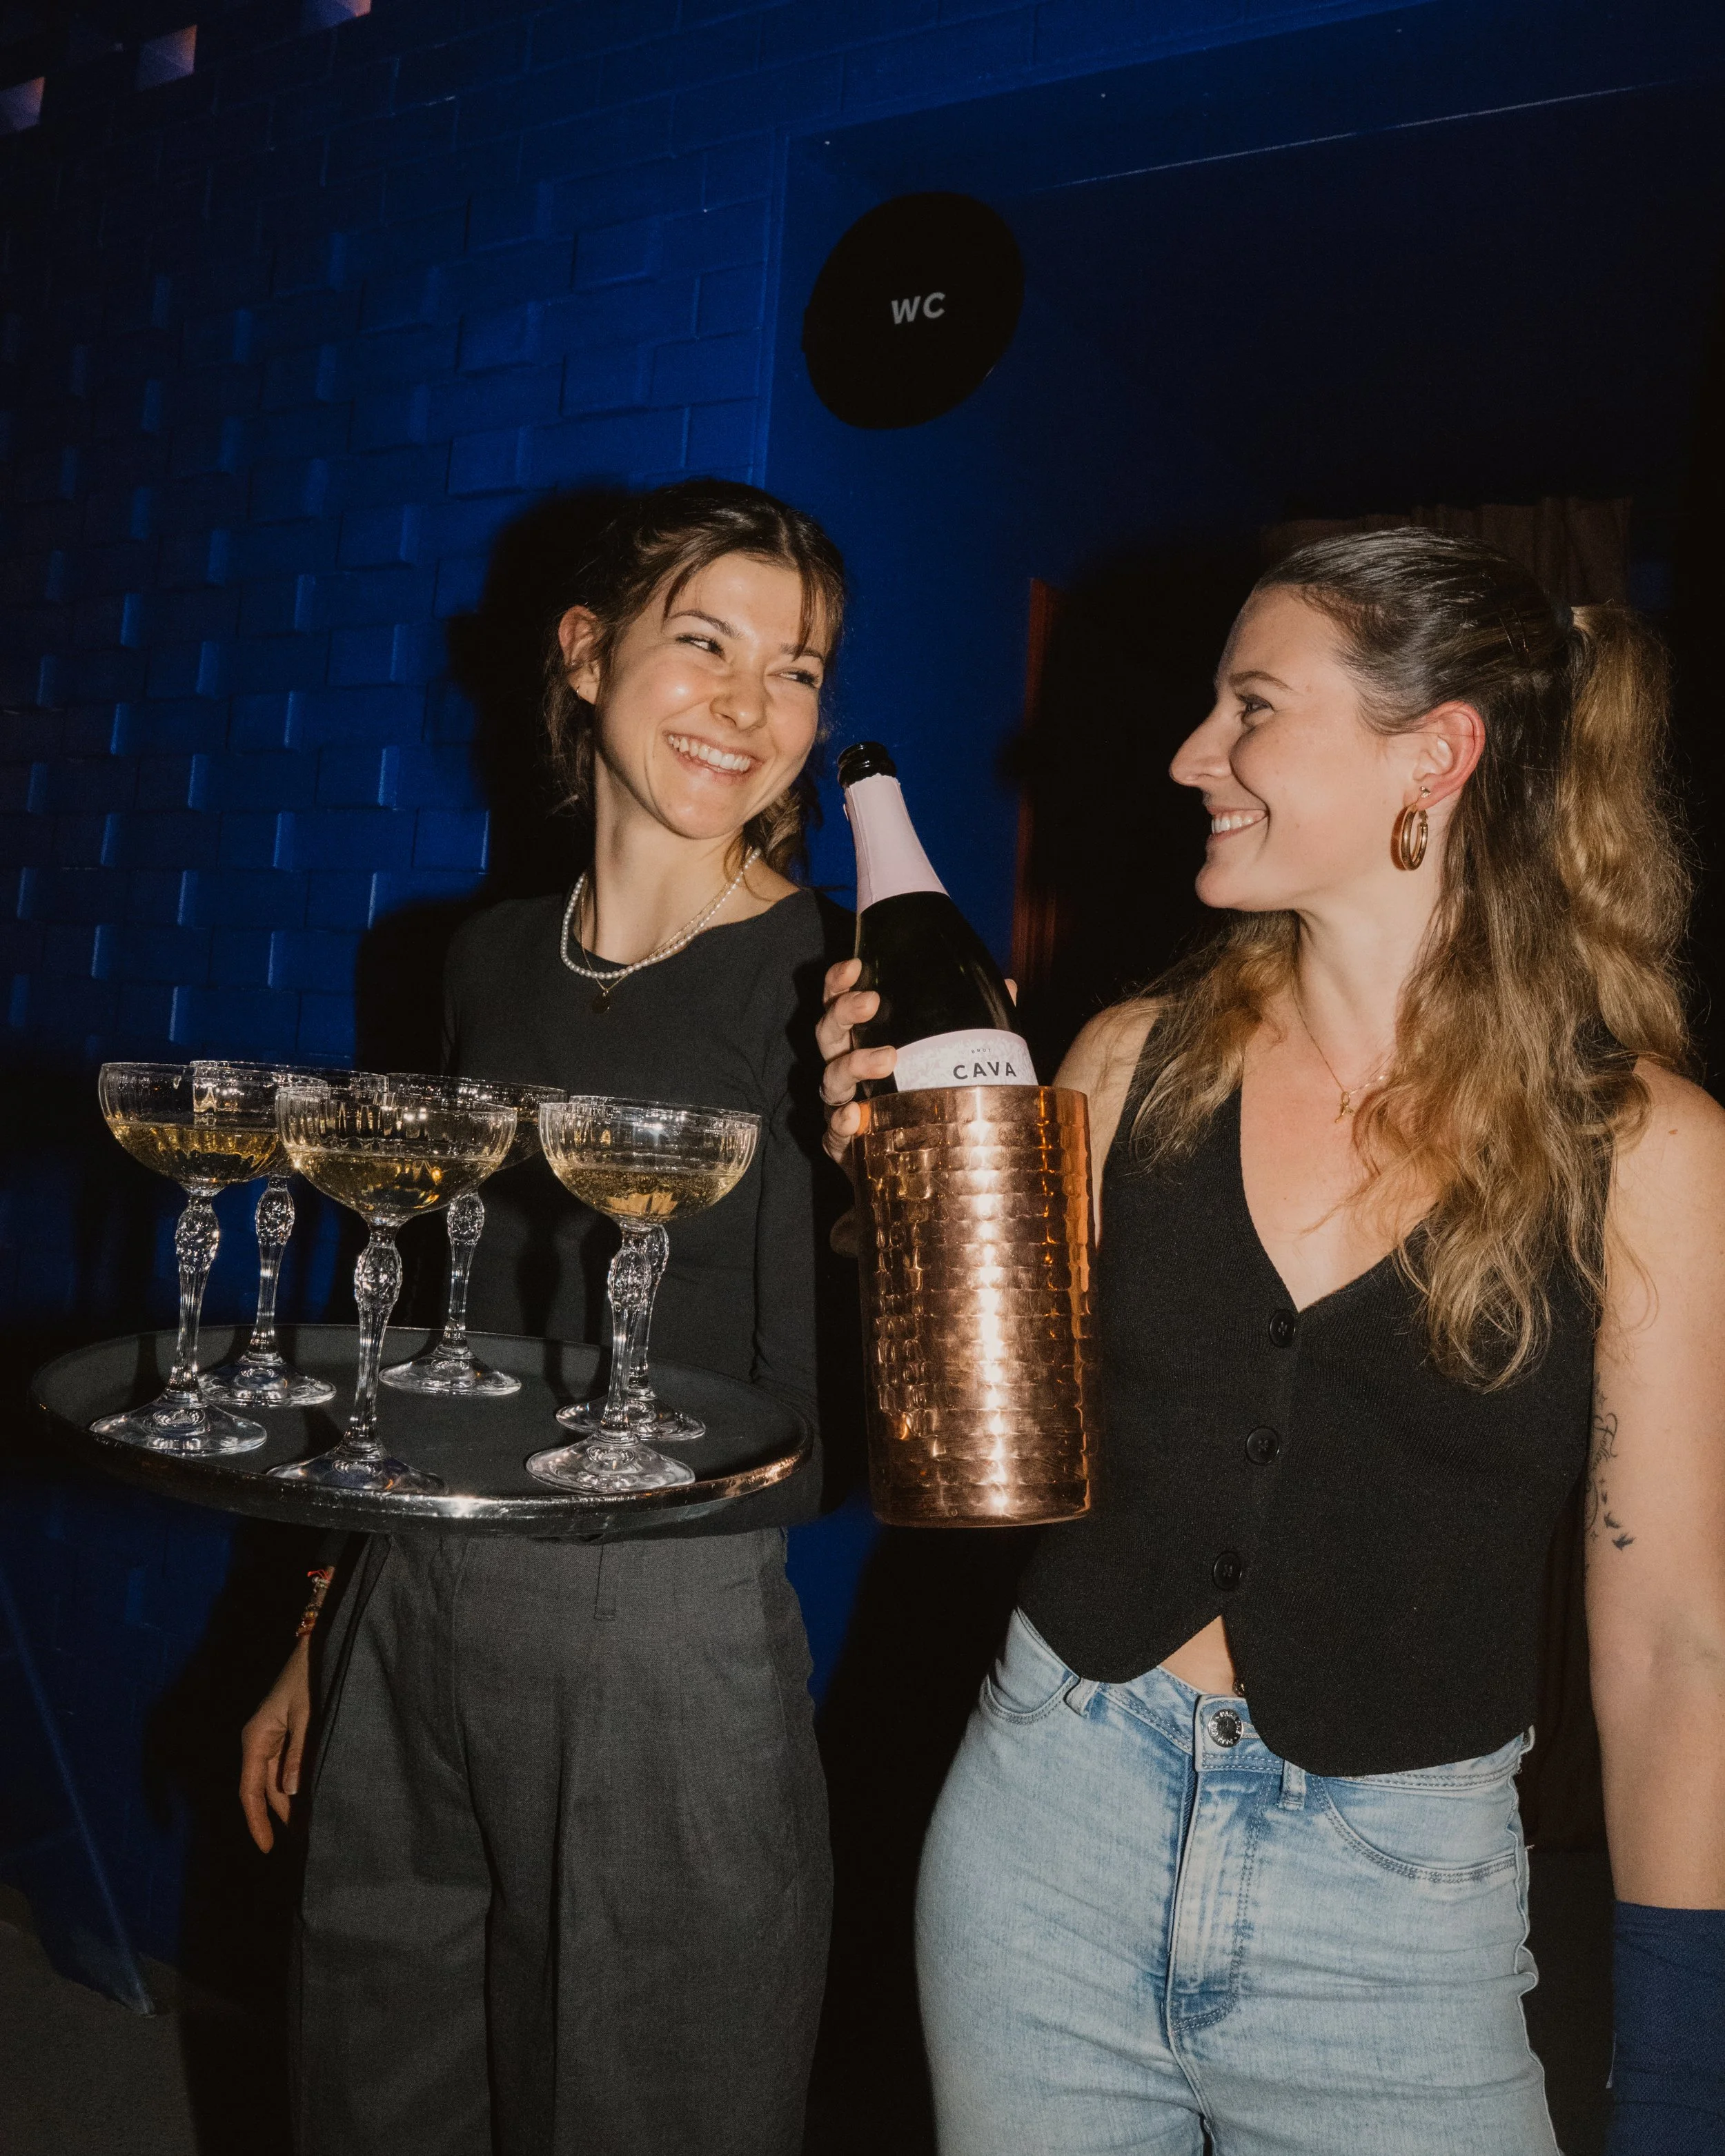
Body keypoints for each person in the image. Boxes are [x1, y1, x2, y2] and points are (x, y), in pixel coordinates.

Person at [819, 528, 1725, 2155]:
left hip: (1395, 1900)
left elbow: (1670, 1642)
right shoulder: (1125, 1055)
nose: (1189, 754)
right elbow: (959, 1422)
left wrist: (1679, 2061)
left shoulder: (1645, 1147)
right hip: (1044, 1828)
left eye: (1248, 706)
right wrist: (891, 1190)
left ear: (1431, 753)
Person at [240, 479, 854, 2156]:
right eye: (704, 643)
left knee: (652, 2091)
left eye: (795, 668)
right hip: (419, 1569)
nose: (748, 705)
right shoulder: (481, 958)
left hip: (654, 1620)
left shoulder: (839, 989)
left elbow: (851, 1382)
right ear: (585, 656)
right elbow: (431, 1320)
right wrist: (325, 1614)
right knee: (374, 2057)